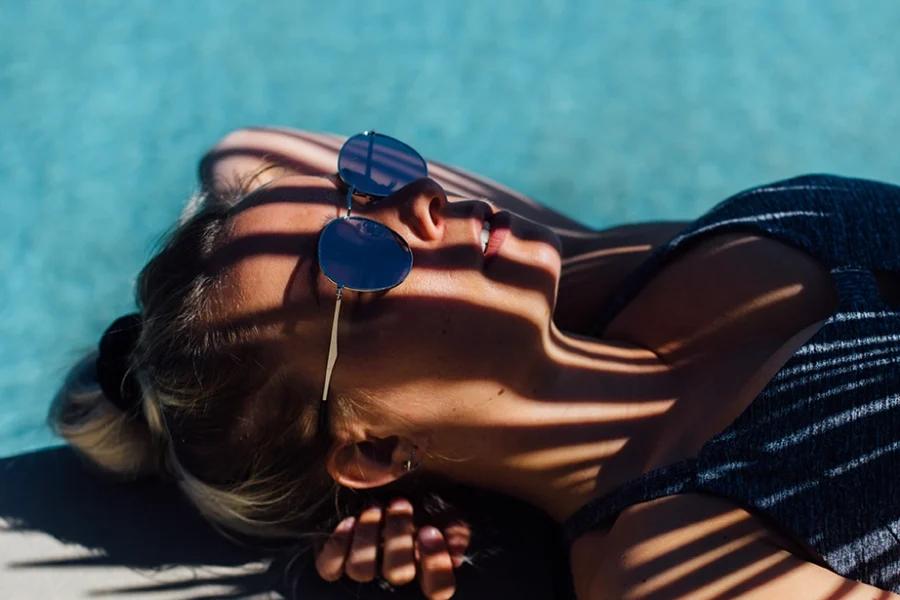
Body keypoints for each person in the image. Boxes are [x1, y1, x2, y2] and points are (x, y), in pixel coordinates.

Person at [51, 127, 900, 600]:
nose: (422, 204)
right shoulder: (676, 557)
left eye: (368, 182)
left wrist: (435, 472)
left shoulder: (605, 273)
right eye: (357, 263)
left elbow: (238, 154)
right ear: (373, 449)